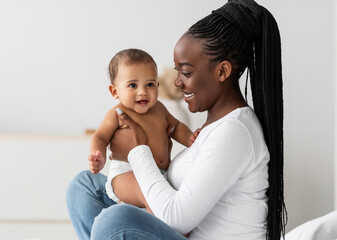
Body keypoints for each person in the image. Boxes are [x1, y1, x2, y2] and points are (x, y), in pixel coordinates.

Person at [66, 0, 287, 239]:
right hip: (169, 219)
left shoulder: (234, 131)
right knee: (84, 185)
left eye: (187, 72)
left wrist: (138, 149)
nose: (177, 82)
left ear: (222, 71)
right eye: (177, 71)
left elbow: (177, 220)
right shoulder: (217, 126)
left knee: (114, 221)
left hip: (182, 228)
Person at [88, 48, 195, 213]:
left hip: (159, 174)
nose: (143, 92)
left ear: (158, 85)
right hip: (126, 174)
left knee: (175, 192)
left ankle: (168, 219)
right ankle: (168, 223)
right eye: (132, 85)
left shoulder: (159, 108)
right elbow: (100, 136)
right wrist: (98, 156)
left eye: (150, 84)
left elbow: (176, 127)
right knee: (144, 189)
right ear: (115, 91)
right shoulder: (117, 114)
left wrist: (192, 140)